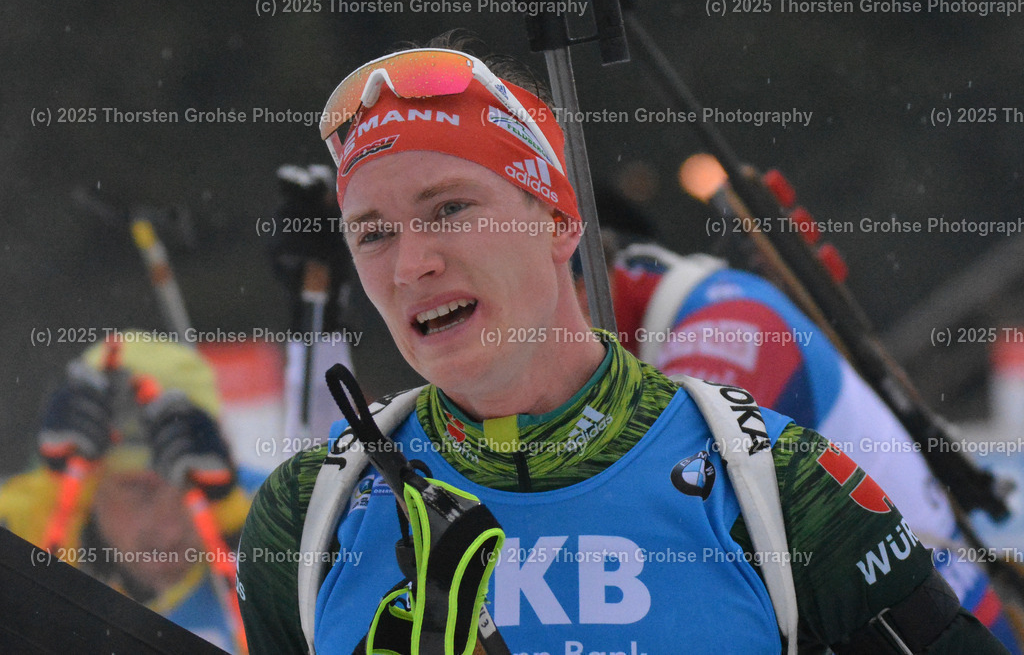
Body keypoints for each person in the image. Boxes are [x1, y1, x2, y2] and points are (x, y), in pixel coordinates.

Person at [236, 34, 1008, 654]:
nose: (412, 264)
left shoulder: (776, 487)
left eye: (448, 208)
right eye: (372, 233)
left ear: (560, 223)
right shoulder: (309, 516)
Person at [579, 190, 1024, 650]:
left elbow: (653, 532)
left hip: (935, 627)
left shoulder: (722, 328)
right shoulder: (695, 307)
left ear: (580, 281)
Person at [0, 337, 251, 652]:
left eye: (192, 491)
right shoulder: (19, 522)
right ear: (91, 489)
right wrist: (58, 486)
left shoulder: (281, 513)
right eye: (138, 490)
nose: (169, 529)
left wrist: (230, 519)